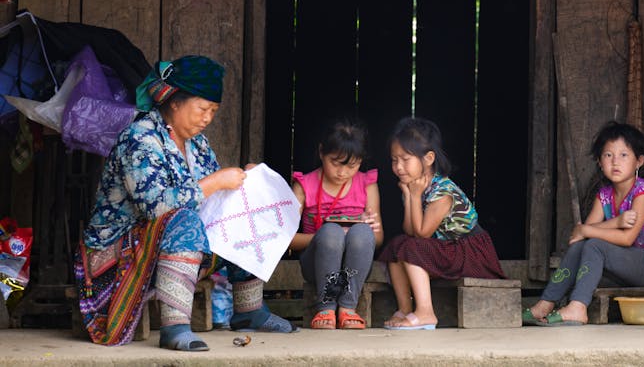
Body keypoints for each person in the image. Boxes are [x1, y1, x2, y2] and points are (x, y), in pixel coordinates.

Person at [74, 55, 297, 351]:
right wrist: (216, 181)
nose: (207, 118)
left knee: (242, 203)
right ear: (175, 102)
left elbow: (215, 200)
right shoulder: (139, 138)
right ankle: (175, 326)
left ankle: (249, 310)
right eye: (203, 108)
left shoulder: (198, 145)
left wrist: (245, 180)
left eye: (213, 111)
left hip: (170, 249)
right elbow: (156, 207)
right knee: (182, 219)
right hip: (118, 254)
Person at [524, 121, 644, 326]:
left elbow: (625, 238)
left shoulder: (643, 191)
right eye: (608, 155)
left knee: (594, 245)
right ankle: (545, 304)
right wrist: (615, 221)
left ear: (639, 161)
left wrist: (587, 229)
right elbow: (580, 237)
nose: (615, 162)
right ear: (599, 161)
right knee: (582, 246)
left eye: (624, 155)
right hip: (627, 264)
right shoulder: (605, 195)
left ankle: (578, 307)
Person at [378, 117, 504, 330]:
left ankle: (426, 312)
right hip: (447, 249)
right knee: (397, 245)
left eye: (405, 159)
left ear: (428, 159)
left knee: (410, 248)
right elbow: (410, 230)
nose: (398, 167)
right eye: (394, 160)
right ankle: (405, 309)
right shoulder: (415, 186)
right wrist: (410, 197)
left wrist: (415, 197)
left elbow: (422, 234)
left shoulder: (442, 192)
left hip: (470, 252)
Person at [289, 119, 383, 329]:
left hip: (355, 267)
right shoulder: (305, 185)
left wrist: (365, 230)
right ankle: (326, 308)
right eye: (335, 163)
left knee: (362, 234)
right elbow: (287, 240)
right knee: (331, 233)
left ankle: (348, 308)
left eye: (352, 166)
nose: (343, 172)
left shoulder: (366, 184)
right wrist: (329, 236)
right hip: (316, 265)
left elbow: (377, 239)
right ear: (321, 152)